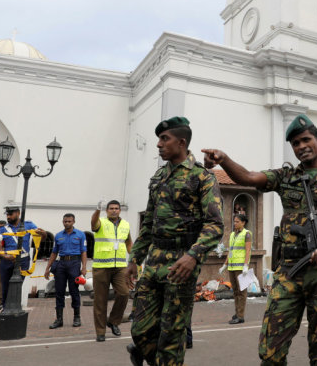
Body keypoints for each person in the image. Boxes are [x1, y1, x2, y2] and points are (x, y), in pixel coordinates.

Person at [202, 112, 317, 366]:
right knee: (270, 351)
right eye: (295, 143)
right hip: (289, 271)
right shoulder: (285, 177)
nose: (301, 147)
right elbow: (248, 177)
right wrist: (224, 159)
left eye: (306, 140)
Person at [125, 116, 224, 366]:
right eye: (159, 138)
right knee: (140, 330)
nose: (158, 144)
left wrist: (193, 256)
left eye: (164, 139)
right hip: (154, 260)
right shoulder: (158, 177)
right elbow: (148, 223)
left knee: (172, 334)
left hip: (181, 264)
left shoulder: (202, 177)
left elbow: (215, 225)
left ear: (181, 143)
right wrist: (134, 259)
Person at [90, 199, 132, 342]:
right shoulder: (101, 222)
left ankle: (113, 321)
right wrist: (97, 210)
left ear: (120, 210)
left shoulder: (126, 224)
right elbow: (93, 224)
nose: (114, 210)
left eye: (116, 208)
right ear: (107, 210)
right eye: (111, 208)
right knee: (100, 301)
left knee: (124, 293)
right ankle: (100, 332)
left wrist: (134, 262)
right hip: (101, 267)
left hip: (120, 267)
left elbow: (128, 242)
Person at [43, 213, 87, 329]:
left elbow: (83, 252)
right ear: (63, 222)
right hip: (61, 264)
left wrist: (84, 267)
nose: (67, 223)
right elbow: (54, 253)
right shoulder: (58, 236)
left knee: (74, 291)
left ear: (74, 222)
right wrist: (47, 268)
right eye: (65, 221)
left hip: (74, 263)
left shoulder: (80, 235)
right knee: (59, 292)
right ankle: (59, 319)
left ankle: (76, 318)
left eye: (69, 221)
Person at [0, 204, 40, 308]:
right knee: (5, 286)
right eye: (7, 214)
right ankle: (5, 307)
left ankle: (15, 307)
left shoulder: (28, 225)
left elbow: (41, 237)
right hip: (7, 259)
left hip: (22, 260)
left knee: (17, 285)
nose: (8, 217)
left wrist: (43, 234)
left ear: (18, 213)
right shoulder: (3, 229)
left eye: (10, 214)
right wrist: (4, 256)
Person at [222, 213, 251, 324]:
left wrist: (245, 265)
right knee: (235, 291)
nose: (235, 223)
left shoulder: (247, 234)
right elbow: (231, 251)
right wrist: (225, 264)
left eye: (237, 221)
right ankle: (237, 313)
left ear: (243, 223)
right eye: (234, 221)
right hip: (232, 267)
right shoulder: (233, 235)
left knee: (242, 292)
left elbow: (248, 250)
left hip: (240, 268)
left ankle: (240, 316)